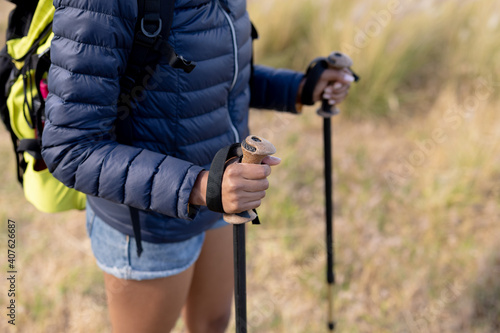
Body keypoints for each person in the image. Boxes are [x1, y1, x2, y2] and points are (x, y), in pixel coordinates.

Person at [41, 0, 353, 332]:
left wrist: (299, 88)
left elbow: (215, 77)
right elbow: (71, 147)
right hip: (150, 222)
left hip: (218, 196)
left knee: (213, 324)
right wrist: (200, 186)